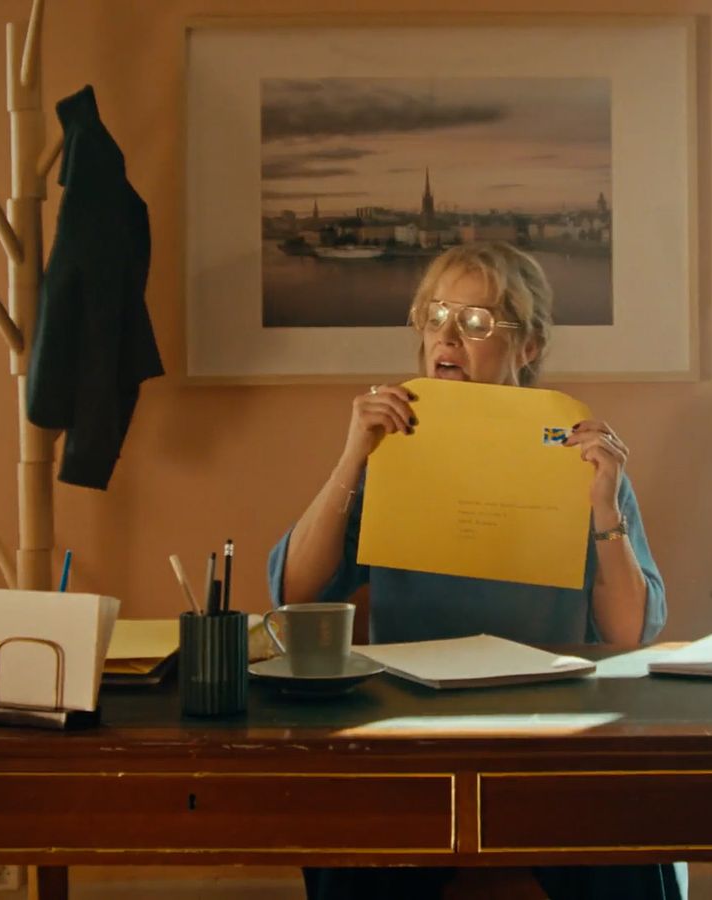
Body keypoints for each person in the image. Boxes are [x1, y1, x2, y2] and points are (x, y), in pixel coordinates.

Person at [266, 242, 679, 900]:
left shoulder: (578, 451)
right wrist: (353, 459)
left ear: (531, 345)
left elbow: (628, 633)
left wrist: (604, 505)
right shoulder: (393, 445)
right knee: (348, 847)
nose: (447, 336)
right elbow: (295, 593)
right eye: (434, 317)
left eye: (477, 322)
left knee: (628, 849)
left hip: (548, 737)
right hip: (411, 731)